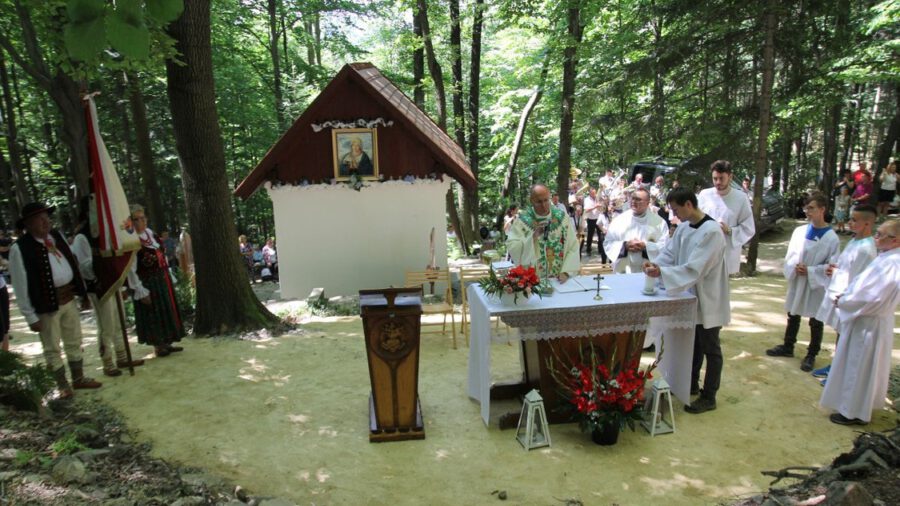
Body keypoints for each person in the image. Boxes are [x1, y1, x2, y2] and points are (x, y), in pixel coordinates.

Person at [642, 188, 729, 414]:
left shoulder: (712, 232)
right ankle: (690, 384)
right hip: (687, 293)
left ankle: (709, 396)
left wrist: (662, 272)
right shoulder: (683, 227)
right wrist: (656, 265)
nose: (674, 215)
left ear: (689, 204)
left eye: (676, 209)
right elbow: (670, 254)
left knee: (710, 345)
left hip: (707, 295)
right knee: (693, 343)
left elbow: (696, 268)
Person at [7, 202, 101, 398]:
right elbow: (20, 284)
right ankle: (62, 385)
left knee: (74, 339)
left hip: (68, 298)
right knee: (52, 347)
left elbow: (73, 264)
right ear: (28, 224)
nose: (46, 222)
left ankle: (78, 378)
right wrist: (30, 316)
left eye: (46, 218)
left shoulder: (56, 237)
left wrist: (83, 293)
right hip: (45, 306)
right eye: (39, 219)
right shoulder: (20, 248)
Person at [819, 219, 900, 425]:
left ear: (896, 240)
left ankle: (852, 411)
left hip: (868, 322)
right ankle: (856, 407)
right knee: (862, 367)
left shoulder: (891, 263)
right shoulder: (888, 258)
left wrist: (844, 301)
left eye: (880, 235)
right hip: (869, 318)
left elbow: (872, 296)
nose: (876, 237)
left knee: (858, 366)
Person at [765, 194, 840, 371]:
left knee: (816, 319)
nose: (807, 211)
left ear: (822, 209)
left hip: (815, 284)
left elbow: (832, 265)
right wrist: (795, 266)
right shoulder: (799, 232)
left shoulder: (832, 238)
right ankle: (788, 345)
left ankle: (812, 353)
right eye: (806, 208)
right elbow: (790, 254)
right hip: (798, 278)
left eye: (811, 208)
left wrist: (812, 271)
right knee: (793, 312)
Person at [71, 198, 145, 376]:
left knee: (119, 322)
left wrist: (122, 284)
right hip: (99, 287)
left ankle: (122, 356)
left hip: (115, 284)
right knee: (107, 326)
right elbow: (85, 268)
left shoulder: (108, 233)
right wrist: (103, 262)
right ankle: (107, 361)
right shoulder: (82, 237)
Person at [811, 205, 877, 382]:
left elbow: (858, 278)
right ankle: (836, 367)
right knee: (840, 333)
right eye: (850, 219)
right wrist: (834, 269)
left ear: (867, 223)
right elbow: (845, 265)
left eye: (854, 220)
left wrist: (845, 294)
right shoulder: (855, 240)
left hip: (848, 296)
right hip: (840, 293)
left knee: (846, 336)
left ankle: (839, 373)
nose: (850, 222)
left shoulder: (866, 249)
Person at [127, 205, 185, 358]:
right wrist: (139, 289)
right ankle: (158, 345)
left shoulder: (150, 233)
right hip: (148, 282)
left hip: (161, 278)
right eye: (137, 219)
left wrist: (169, 274)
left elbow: (161, 255)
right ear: (131, 221)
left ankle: (167, 341)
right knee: (153, 311)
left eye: (143, 217)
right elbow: (130, 268)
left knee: (165, 309)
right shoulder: (132, 241)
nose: (142, 221)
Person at [506, 184, 580, 282]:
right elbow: (513, 246)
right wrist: (532, 238)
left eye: (546, 200)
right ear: (531, 201)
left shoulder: (562, 218)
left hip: (559, 280)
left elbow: (573, 245)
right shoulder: (522, 221)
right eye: (539, 202)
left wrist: (566, 272)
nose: (544, 205)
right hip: (533, 281)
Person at [697, 160, 756, 275]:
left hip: (727, 253)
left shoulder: (741, 198)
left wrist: (729, 230)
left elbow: (748, 228)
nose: (718, 182)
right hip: (705, 251)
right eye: (715, 178)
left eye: (721, 178)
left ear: (730, 177)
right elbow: (695, 220)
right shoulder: (704, 195)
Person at [603, 189, 669, 274]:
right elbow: (608, 243)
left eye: (638, 199)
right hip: (624, 270)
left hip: (648, 271)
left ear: (647, 203)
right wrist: (624, 246)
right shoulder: (619, 220)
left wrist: (646, 246)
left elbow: (665, 247)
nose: (634, 201)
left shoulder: (659, 223)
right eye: (633, 198)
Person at [582, 188, 604, 259]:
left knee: (600, 235)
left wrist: (602, 203)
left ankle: (600, 250)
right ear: (590, 193)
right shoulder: (587, 199)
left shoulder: (598, 198)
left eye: (595, 193)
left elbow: (603, 206)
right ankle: (588, 250)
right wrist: (595, 206)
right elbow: (586, 210)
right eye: (593, 193)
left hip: (599, 218)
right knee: (590, 235)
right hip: (591, 219)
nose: (595, 194)